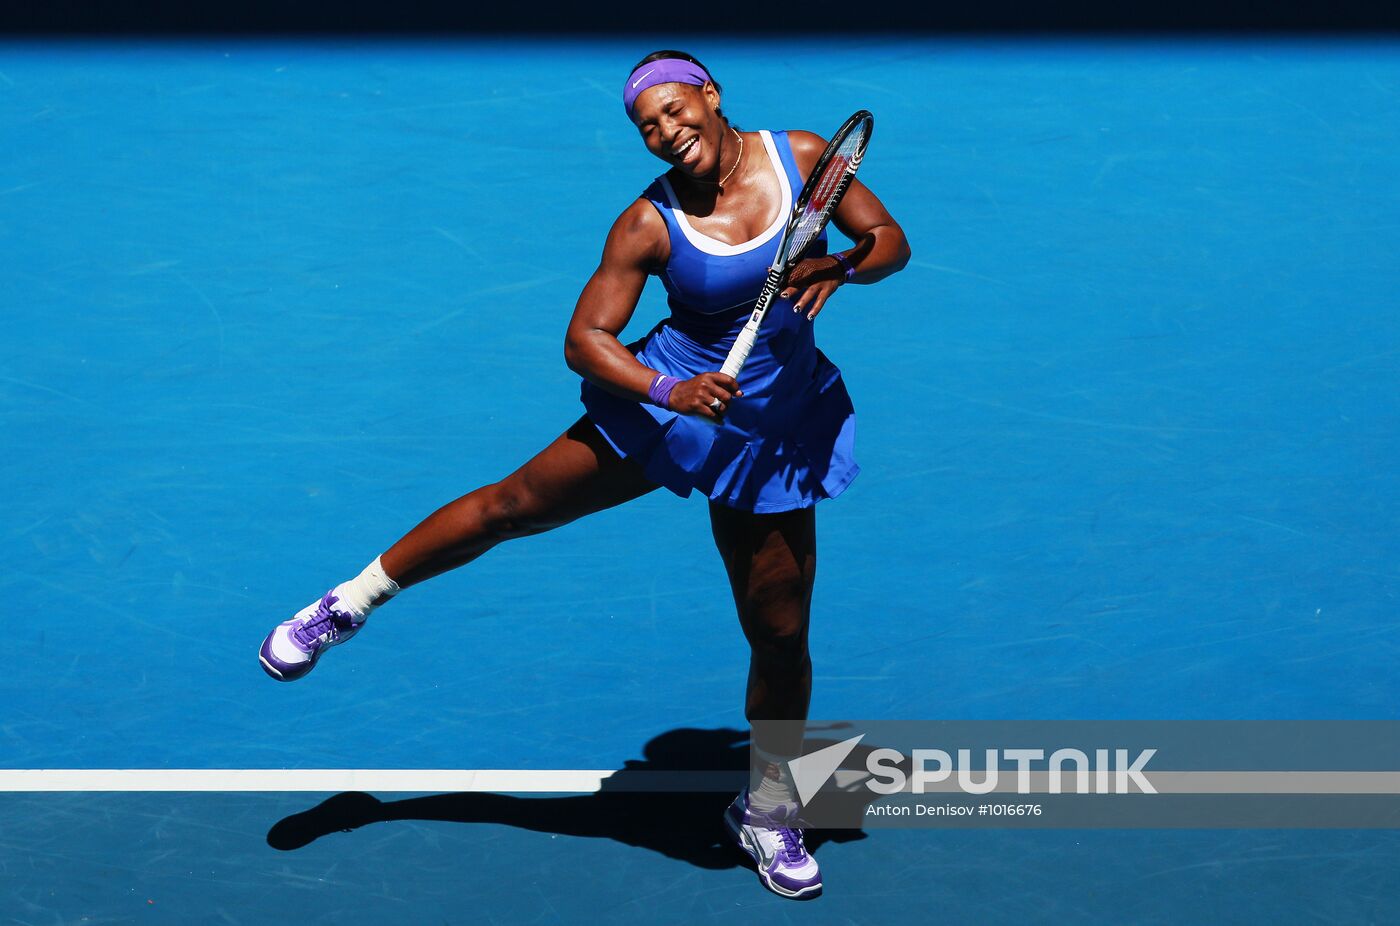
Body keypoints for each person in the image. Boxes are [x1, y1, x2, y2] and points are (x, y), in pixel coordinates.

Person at [259, 49, 909, 900]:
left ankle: (768, 807)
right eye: (648, 128)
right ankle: (348, 603)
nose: (667, 134)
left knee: (781, 636)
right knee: (512, 507)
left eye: (677, 112)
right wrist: (670, 387)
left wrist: (841, 265)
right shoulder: (647, 223)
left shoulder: (802, 155)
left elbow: (888, 241)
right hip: (672, 401)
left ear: (711, 98)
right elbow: (585, 343)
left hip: (773, 429)